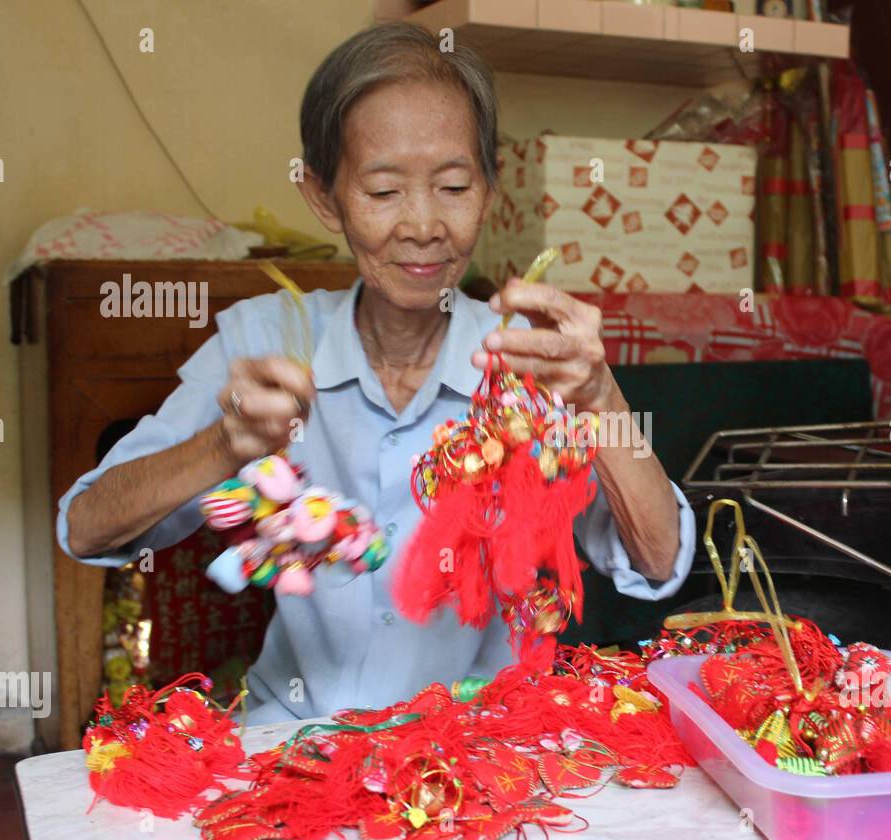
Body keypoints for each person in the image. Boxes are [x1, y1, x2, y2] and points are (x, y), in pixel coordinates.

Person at [57, 22, 695, 725]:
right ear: (324, 196)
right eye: (384, 192)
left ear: (489, 187)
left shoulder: (531, 361)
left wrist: (601, 395)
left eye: (454, 186)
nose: (423, 225)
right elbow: (85, 528)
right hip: (295, 738)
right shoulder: (266, 338)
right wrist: (224, 445)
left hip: (482, 747)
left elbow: (660, 563)